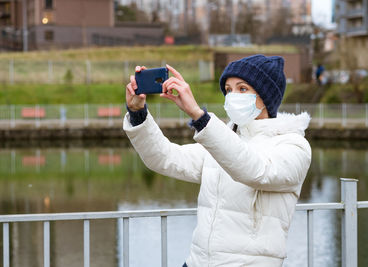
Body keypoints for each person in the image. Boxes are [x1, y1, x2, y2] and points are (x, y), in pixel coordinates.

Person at [123, 55, 312, 267]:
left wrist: (199, 116)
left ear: (266, 97)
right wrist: (138, 113)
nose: (232, 96)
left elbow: (255, 171)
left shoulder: (293, 146)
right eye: (229, 90)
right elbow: (165, 158)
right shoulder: (222, 141)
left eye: (242, 89)